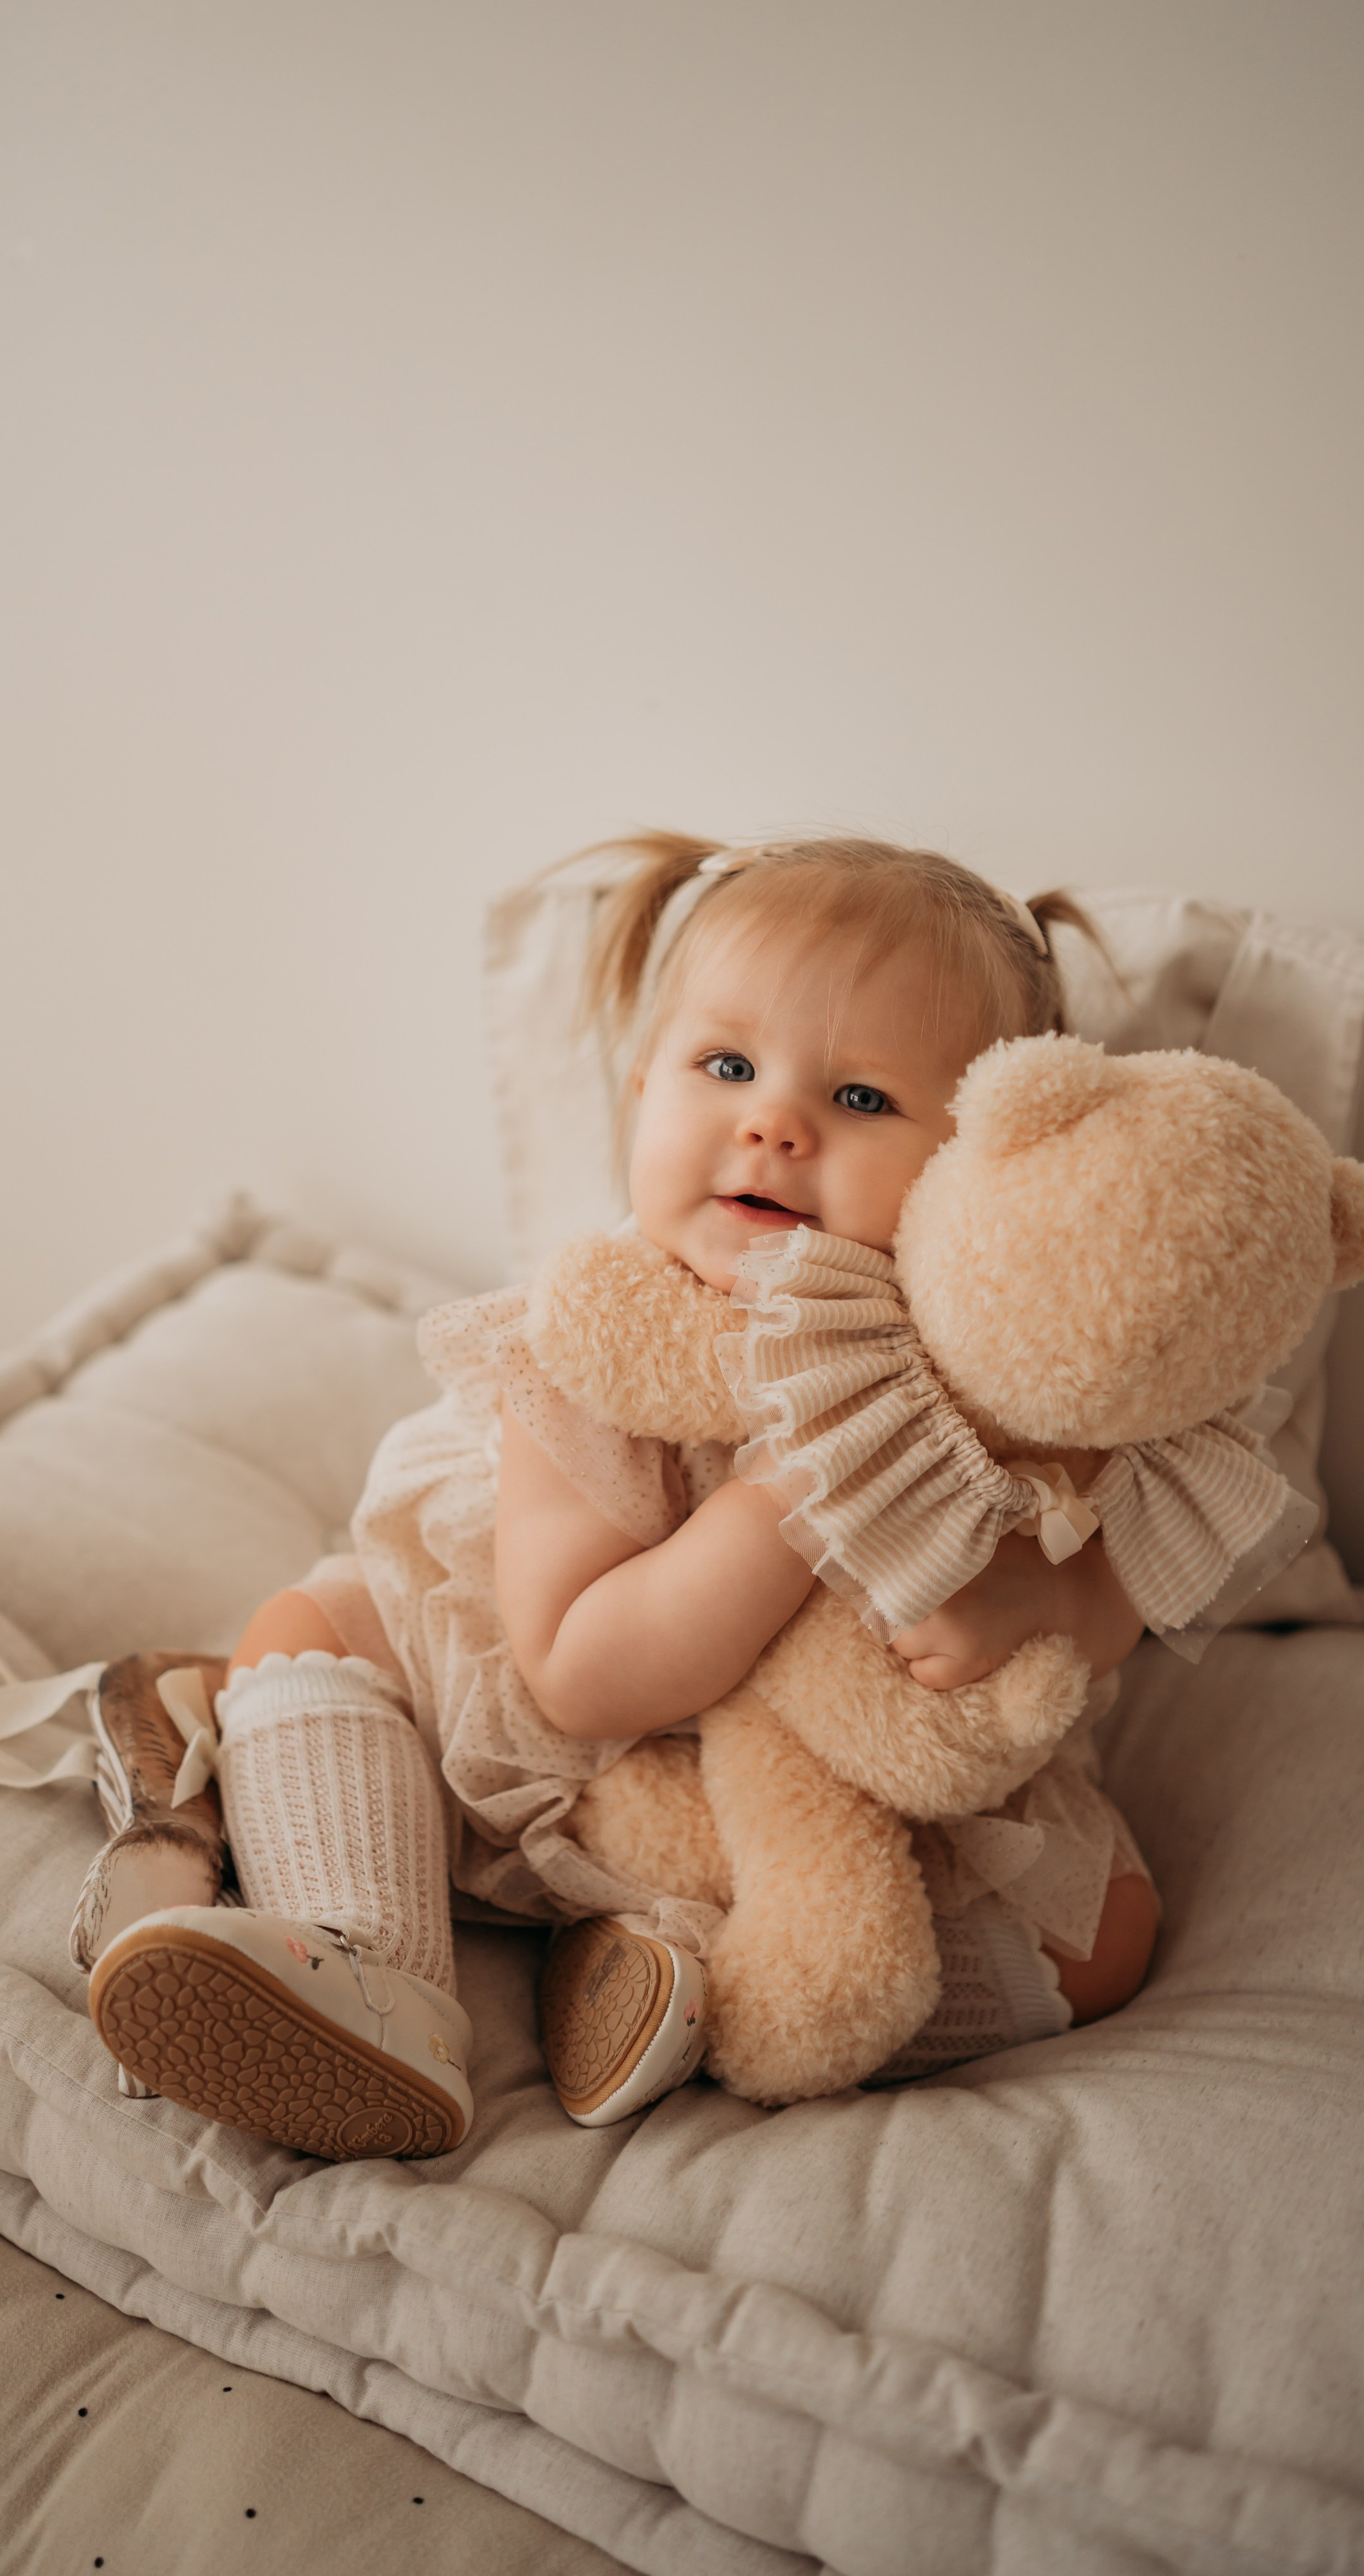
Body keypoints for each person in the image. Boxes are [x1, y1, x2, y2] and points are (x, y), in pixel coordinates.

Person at [79, 835, 1177, 2157]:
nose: (773, 1123)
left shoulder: (979, 1368)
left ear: (974, 1175)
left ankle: (659, 1984)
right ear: (640, 1089)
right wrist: (787, 1495)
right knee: (303, 1630)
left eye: (862, 1098)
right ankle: (369, 1972)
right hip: (565, 1745)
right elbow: (574, 1679)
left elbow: (1115, 1576)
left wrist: (1045, 1595)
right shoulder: (600, 1341)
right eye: (725, 1068)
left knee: (1106, 1935)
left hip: (801, 1809)